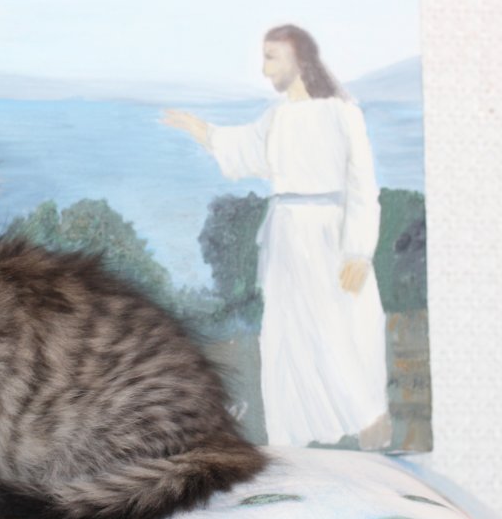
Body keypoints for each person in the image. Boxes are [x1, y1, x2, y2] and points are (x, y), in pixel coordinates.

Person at [162, 24, 391, 450]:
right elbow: (243, 148)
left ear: (299, 60)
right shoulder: (278, 117)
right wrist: (199, 129)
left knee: (342, 332)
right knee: (288, 335)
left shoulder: (343, 114)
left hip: (330, 237)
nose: (265, 69)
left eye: (272, 57)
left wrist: (359, 251)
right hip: (286, 238)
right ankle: (293, 437)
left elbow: (363, 186)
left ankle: (368, 424)